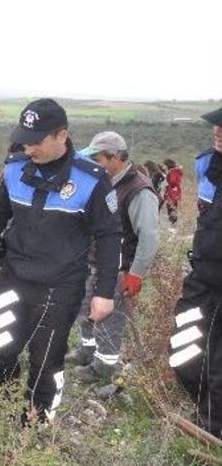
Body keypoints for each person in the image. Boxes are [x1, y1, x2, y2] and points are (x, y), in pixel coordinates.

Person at [0, 98, 122, 423]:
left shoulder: (91, 178)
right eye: (24, 139)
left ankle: (37, 422)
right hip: (14, 278)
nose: (28, 148)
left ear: (61, 136)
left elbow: (109, 236)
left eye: (36, 141)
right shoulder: (14, 167)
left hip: (59, 287)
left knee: (46, 359)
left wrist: (105, 291)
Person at [65, 132, 159, 392]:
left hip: (119, 270)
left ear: (116, 157)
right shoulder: (104, 182)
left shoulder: (139, 190)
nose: (94, 162)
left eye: (98, 158)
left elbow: (149, 237)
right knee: (87, 311)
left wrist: (136, 273)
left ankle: (104, 367)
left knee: (109, 321)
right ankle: (87, 351)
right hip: (94, 262)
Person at [168, 107, 222, 439]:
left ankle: (213, 426)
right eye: (217, 125)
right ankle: (203, 403)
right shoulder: (206, 165)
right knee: (183, 346)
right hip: (203, 278)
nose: (218, 130)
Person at [163, 158, 182, 225]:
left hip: (172, 192)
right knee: (172, 207)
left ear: (168, 165)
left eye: (164, 165)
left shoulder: (173, 171)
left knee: (172, 207)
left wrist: (168, 184)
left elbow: (173, 181)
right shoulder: (174, 171)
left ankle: (173, 223)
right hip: (173, 191)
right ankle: (172, 223)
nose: (164, 167)